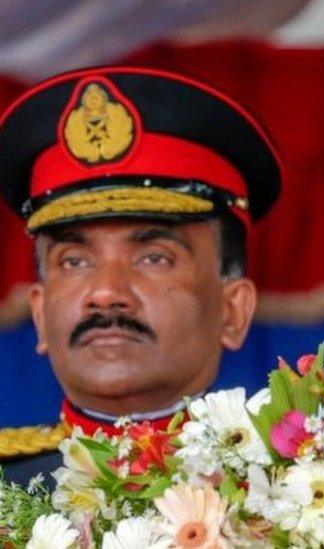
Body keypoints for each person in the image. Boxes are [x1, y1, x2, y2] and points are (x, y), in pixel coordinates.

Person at [0, 66, 282, 486]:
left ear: (233, 309)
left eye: (154, 258)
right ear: (39, 315)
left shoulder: (304, 493)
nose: (106, 293)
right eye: (74, 261)